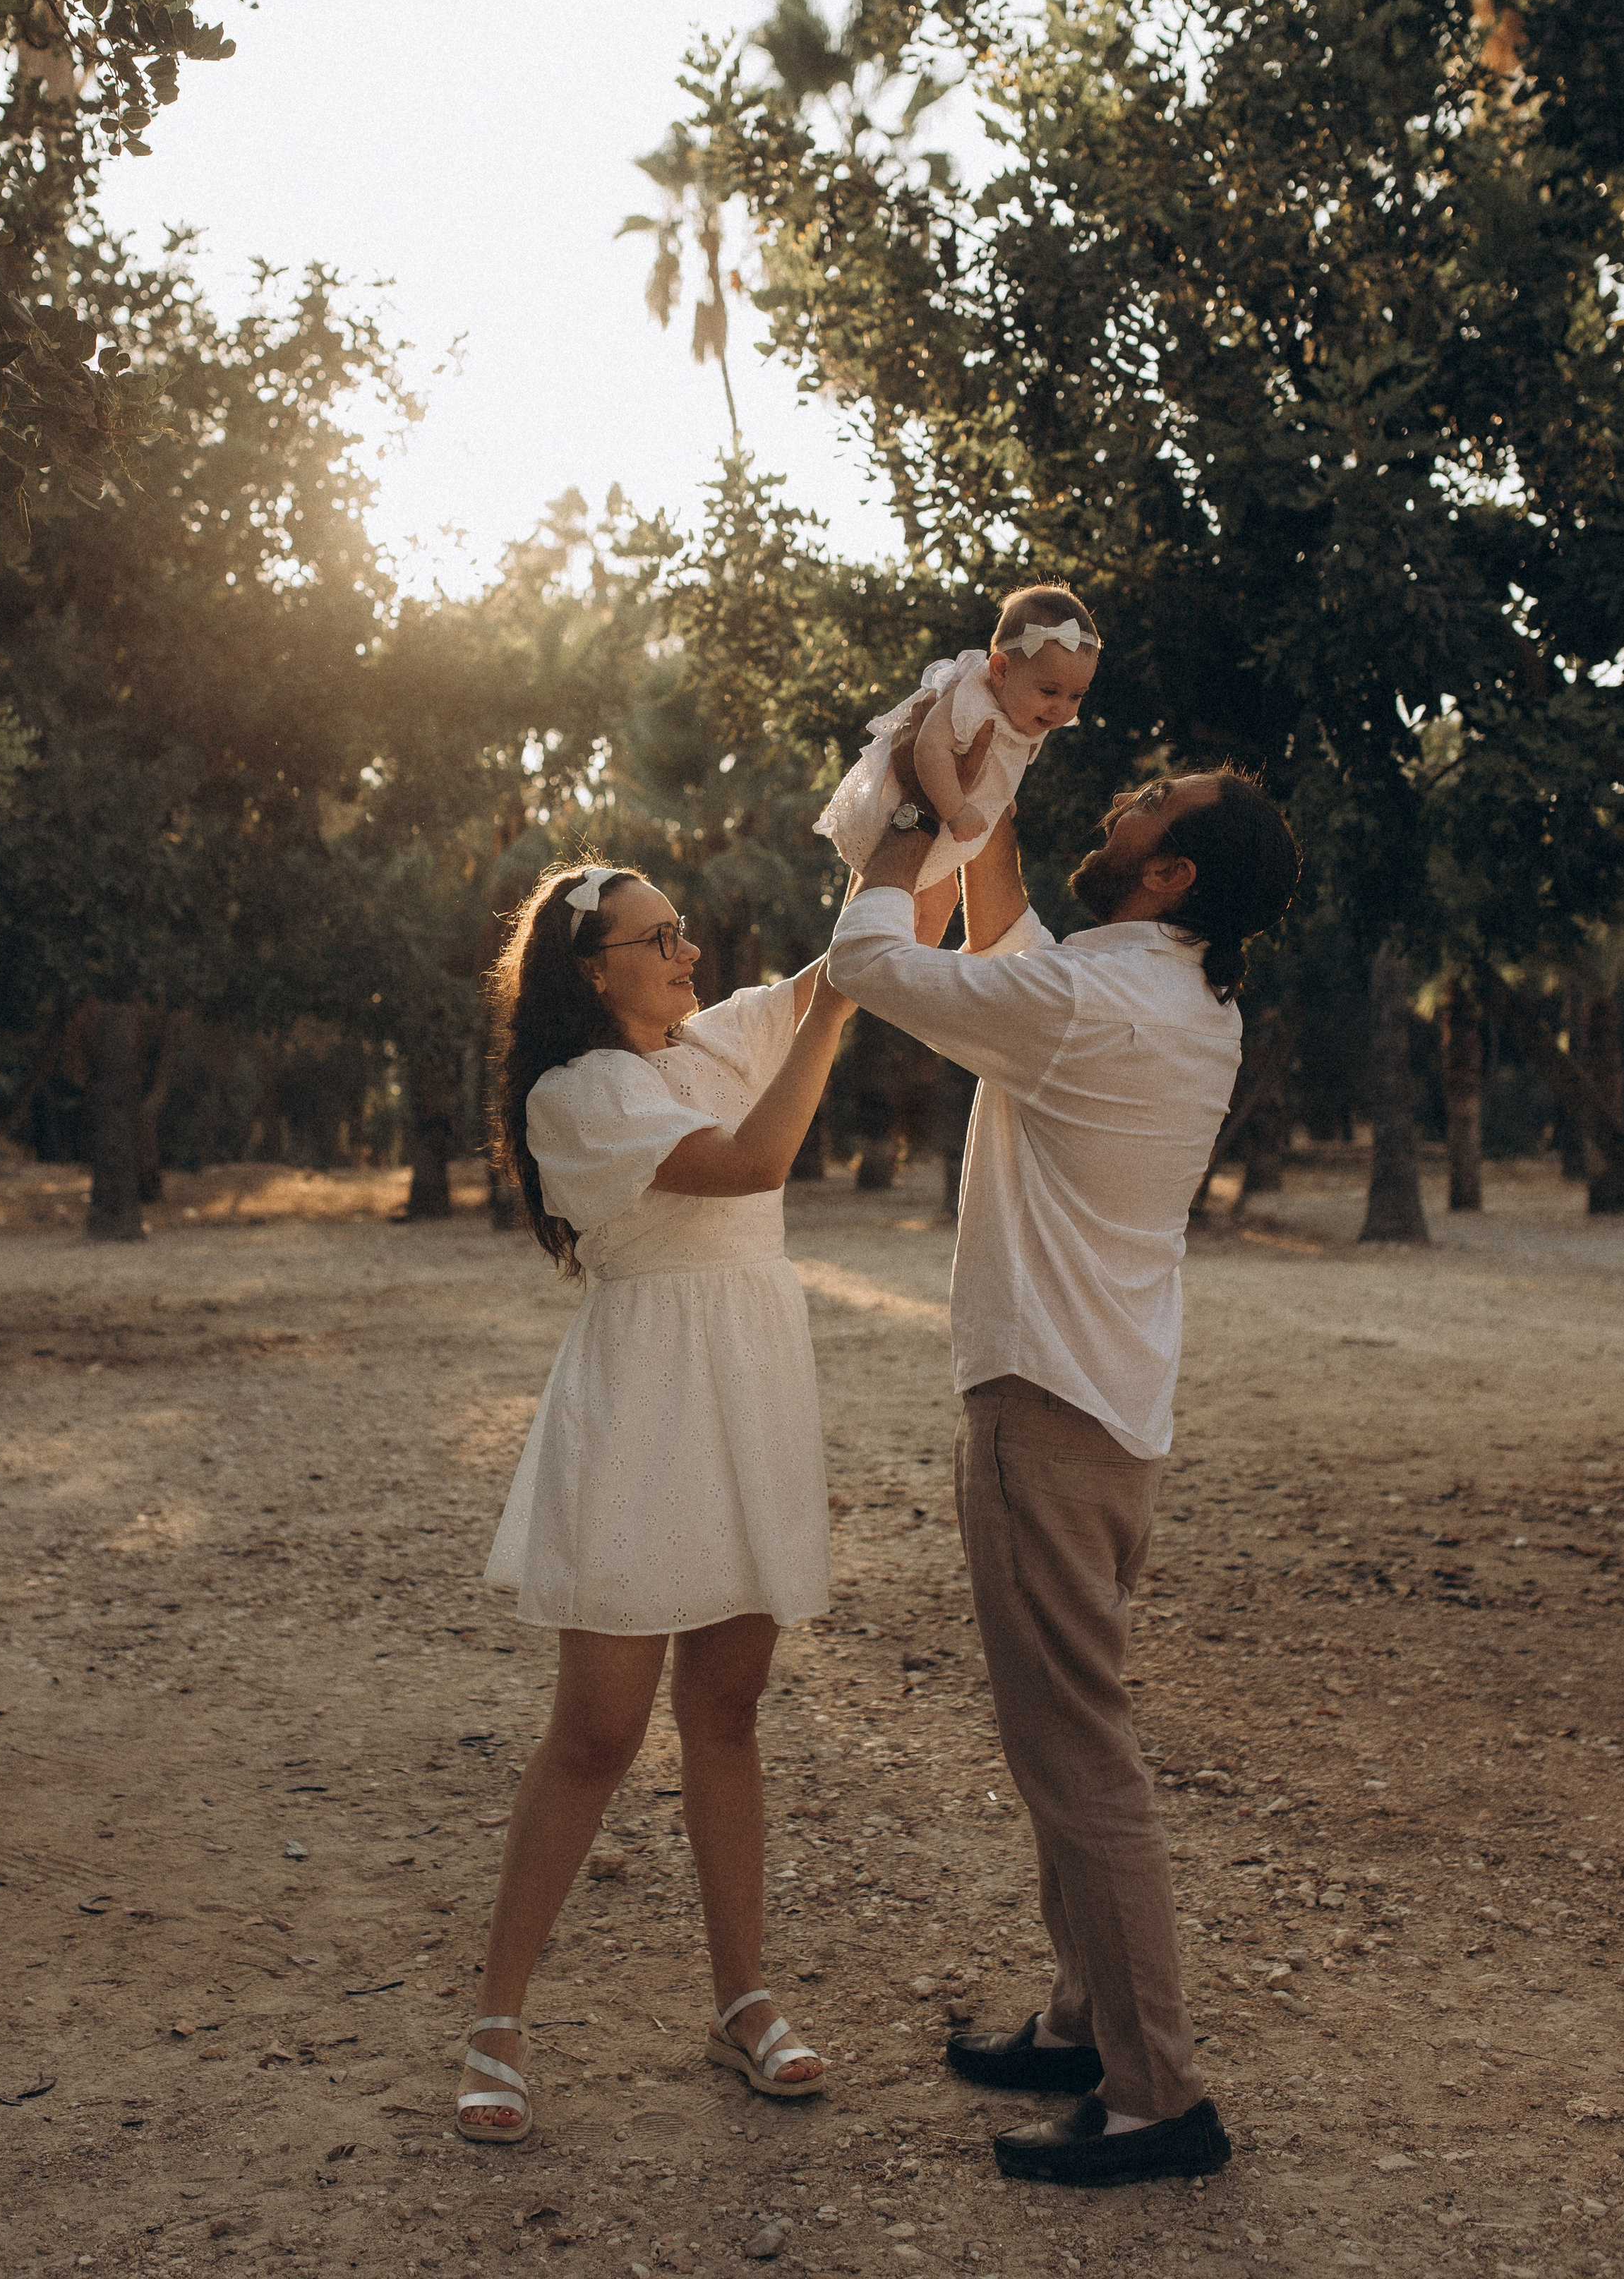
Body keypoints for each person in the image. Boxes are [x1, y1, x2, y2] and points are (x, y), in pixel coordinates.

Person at [826, 758, 1300, 2191]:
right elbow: (1009, 938)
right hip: (1104, 1409)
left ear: (1170, 876)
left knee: (1074, 1755)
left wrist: (913, 810)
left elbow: (867, 957)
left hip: (1044, 1414)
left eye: (1153, 802)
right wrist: (989, 778)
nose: (1131, 794)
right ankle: (1082, 2023)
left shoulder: (1091, 1005)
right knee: (1059, 1742)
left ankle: (1159, 2096)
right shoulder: (1161, 989)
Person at [455, 862, 855, 2143]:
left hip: (751, 1383)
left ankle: (743, 1999)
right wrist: (839, 1010)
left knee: (728, 1703)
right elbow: (751, 1163)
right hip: (642, 1404)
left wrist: (941, 783)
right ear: (592, 970)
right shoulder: (579, 1095)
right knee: (600, 1727)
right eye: (658, 937)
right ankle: (498, 2023)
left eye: (684, 933)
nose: (689, 952)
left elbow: (859, 935)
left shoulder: (714, 1039)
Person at [814, 582, 1100, 886]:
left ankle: (913, 934)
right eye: (1049, 691)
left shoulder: (1031, 710)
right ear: (1001, 671)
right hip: (899, 805)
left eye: (1076, 696)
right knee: (915, 893)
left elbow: (1004, 757)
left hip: (946, 814)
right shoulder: (970, 699)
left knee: (942, 896)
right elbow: (929, 749)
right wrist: (957, 810)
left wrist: (1000, 797)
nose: (1062, 708)